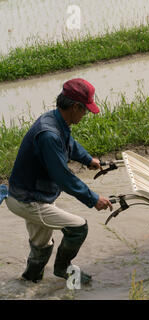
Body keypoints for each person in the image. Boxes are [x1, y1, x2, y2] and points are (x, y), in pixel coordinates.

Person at [5, 78, 113, 285]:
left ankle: (27, 284)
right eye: (85, 110)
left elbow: (69, 144)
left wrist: (88, 159)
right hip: (30, 200)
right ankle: (62, 268)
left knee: (42, 245)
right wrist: (93, 199)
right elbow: (63, 178)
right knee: (78, 227)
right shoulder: (49, 134)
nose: (85, 115)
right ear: (75, 107)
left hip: (27, 194)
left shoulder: (54, 120)